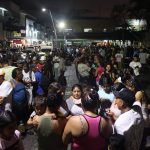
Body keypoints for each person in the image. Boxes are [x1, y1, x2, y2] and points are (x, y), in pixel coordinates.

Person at [31, 83, 67, 150]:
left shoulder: (62, 102)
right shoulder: (44, 103)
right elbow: (31, 120)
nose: (62, 94)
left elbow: (66, 115)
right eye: (59, 92)